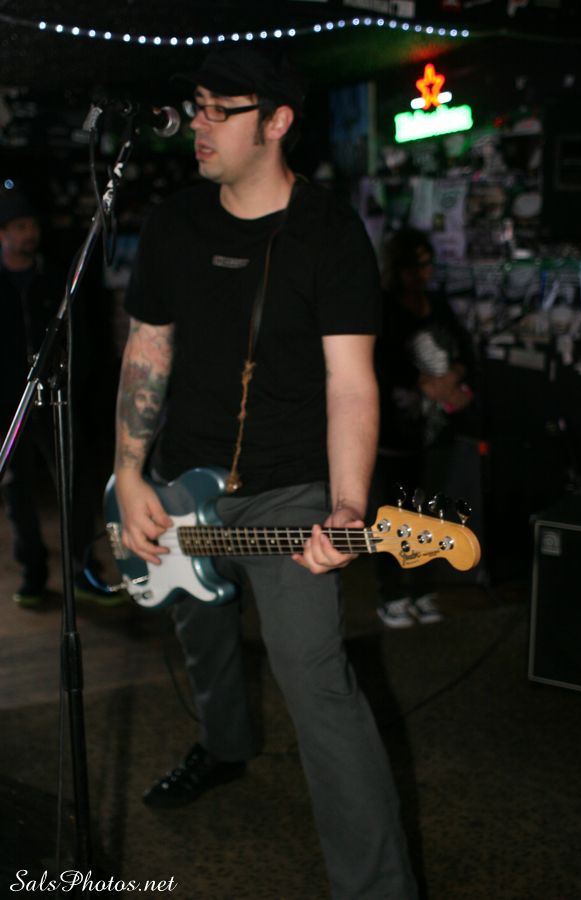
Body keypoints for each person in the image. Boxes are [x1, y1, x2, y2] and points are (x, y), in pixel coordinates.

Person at [113, 45, 418, 900]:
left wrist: (348, 506)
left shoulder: (330, 232)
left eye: (222, 110)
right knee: (202, 642)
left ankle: (378, 889)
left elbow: (350, 383)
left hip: (290, 490)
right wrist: (129, 473)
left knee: (318, 686)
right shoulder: (175, 223)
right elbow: (148, 348)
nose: (200, 125)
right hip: (181, 486)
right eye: (197, 107)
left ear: (277, 121)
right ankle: (224, 748)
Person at [0, 188, 123, 607]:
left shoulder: (56, 280)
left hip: (56, 400)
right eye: (19, 227)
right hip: (10, 405)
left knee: (75, 486)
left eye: (32, 225)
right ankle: (33, 576)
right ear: (3, 234)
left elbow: (82, 336)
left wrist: (74, 382)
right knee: (18, 494)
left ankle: (84, 570)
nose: (29, 233)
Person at [373, 227, 476, 628]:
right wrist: (423, 382)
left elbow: (464, 348)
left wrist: (455, 379)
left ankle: (420, 588)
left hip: (436, 428)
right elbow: (381, 362)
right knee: (394, 511)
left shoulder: (437, 304)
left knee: (431, 509)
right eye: (416, 266)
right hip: (397, 430)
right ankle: (391, 592)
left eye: (428, 264)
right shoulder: (384, 307)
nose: (424, 273)